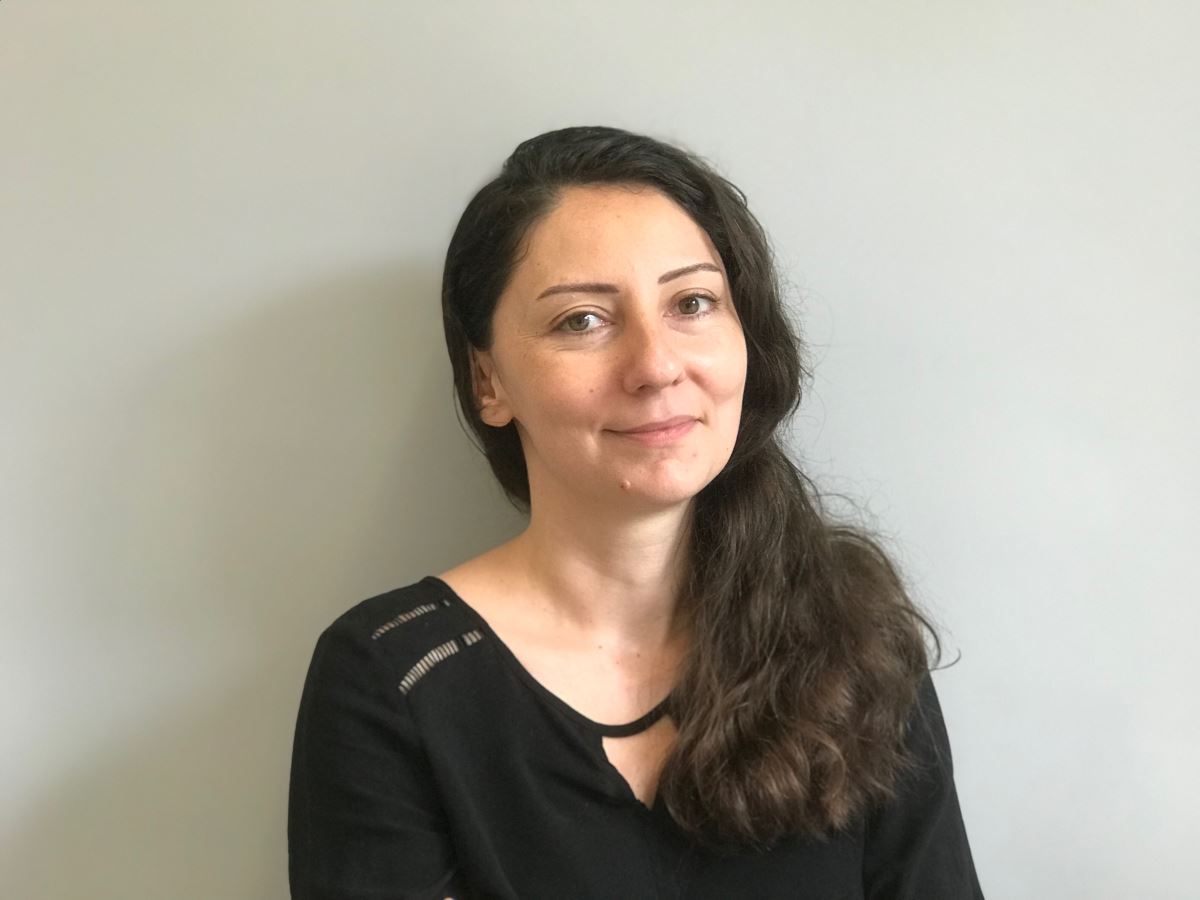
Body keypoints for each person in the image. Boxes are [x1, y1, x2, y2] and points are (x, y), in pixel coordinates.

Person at [287, 125, 984, 899]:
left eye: (692, 303)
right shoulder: (393, 679)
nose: (655, 365)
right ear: (489, 381)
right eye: (581, 320)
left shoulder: (852, 636)